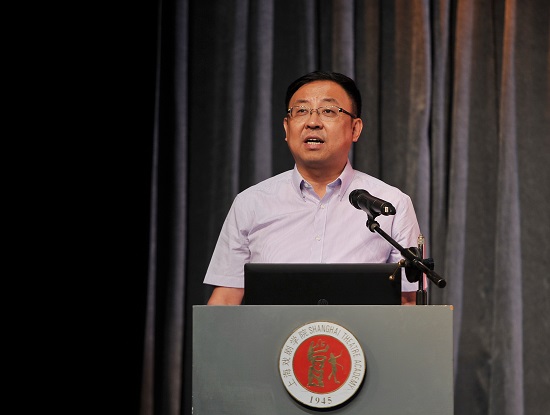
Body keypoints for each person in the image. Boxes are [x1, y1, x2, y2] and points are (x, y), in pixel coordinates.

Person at [204, 71, 420, 305]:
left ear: (355, 129)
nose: (312, 122)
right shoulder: (251, 203)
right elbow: (225, 301)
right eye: (301, 111)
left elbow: (407, 302)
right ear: (286, 128)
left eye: (328, 111)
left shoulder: (391, 204)